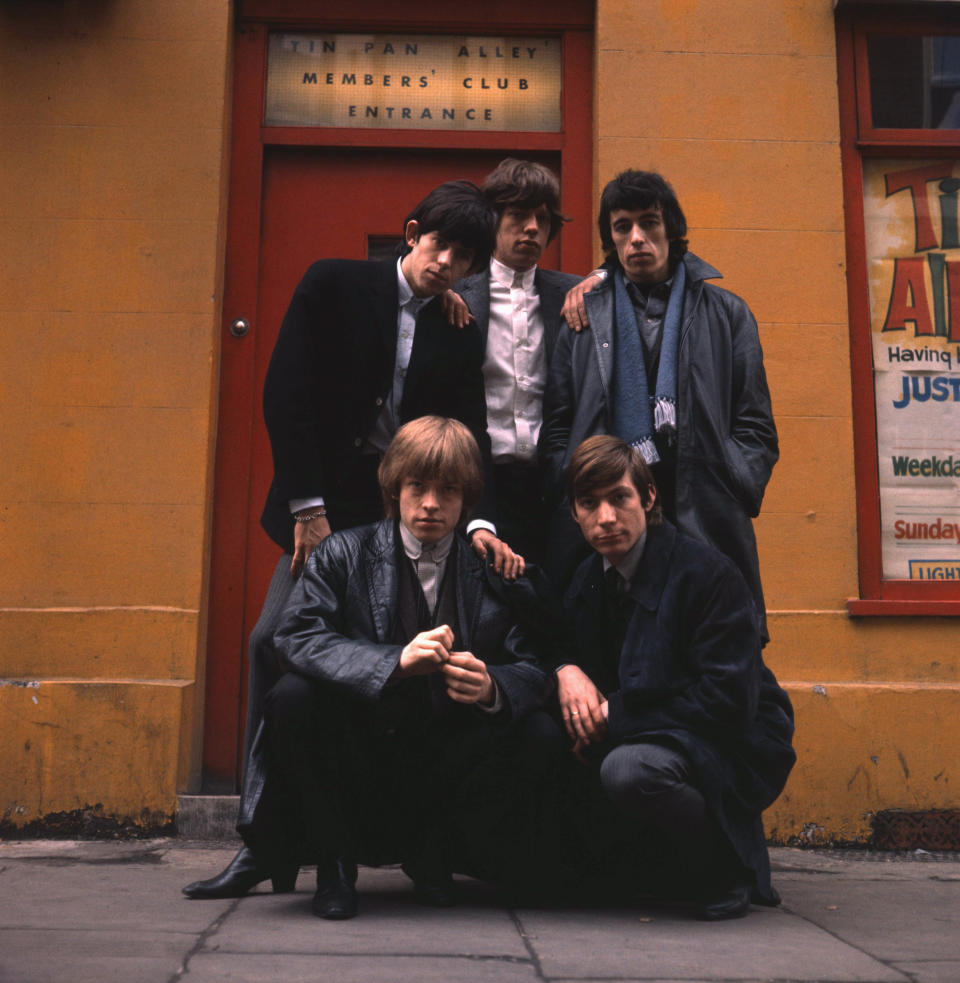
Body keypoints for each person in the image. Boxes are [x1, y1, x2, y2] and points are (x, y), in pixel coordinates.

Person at [184, 182, 502, 901]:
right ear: (411, 231)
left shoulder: (456, 323)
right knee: (274, 642)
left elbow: (469, 432)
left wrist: (479, 523)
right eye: (440, 246)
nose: (448, 264)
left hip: (400, 522)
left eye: (464, 257)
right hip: (320, 508)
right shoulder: (335, 283)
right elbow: (284, 393)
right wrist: (307, 508)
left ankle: (360, 841)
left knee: (375, 668)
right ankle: (263, 844)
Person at [242, 417, 561, 919]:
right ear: (395, 487)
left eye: (448, 490)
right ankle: (334, 864)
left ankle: (440, 853)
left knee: (536, 729)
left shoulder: (491, 567)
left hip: (445, 755)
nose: (431, 504)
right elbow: (294, 636)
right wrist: (393, 662)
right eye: (418, 487)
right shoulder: (343, 553)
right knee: (292, 698)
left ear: (468, 498)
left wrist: (493, 687)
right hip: (360, 747)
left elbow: (535, 665)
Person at [557, 434, 795, 920]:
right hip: (655, 729)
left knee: (630, 770)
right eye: (589, 503)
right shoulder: (588, 579)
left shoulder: (706, 574)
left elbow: (727, 700)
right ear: (574, 514)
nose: (606, 518)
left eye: (619, 498)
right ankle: (631, 867)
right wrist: (566, 671)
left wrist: (613, 716)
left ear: (648, 496)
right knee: (544, 737)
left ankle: (722, 869)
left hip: (732, 739)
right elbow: (552, 638)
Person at [541, 170, 779, 642]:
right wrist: (569, 483)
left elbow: (755, 426)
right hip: (607, 517)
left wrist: (735, 479)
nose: (636, 238)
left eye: (649, 223)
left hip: (702, 512)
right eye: (622, 226)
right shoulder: (583, 315)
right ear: (610, 238)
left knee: (711, 647)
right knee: (607, 654)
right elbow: (557, 424)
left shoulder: (727, 314)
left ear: (671, 227)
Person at [452, 159, 582, 564]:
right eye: (518, 215)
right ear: (492, 220)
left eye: (542, 219)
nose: (531, 228)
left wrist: (603, 274)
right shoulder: (456, 294)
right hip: (479, 481)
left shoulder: (575, 293)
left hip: (554, 484)